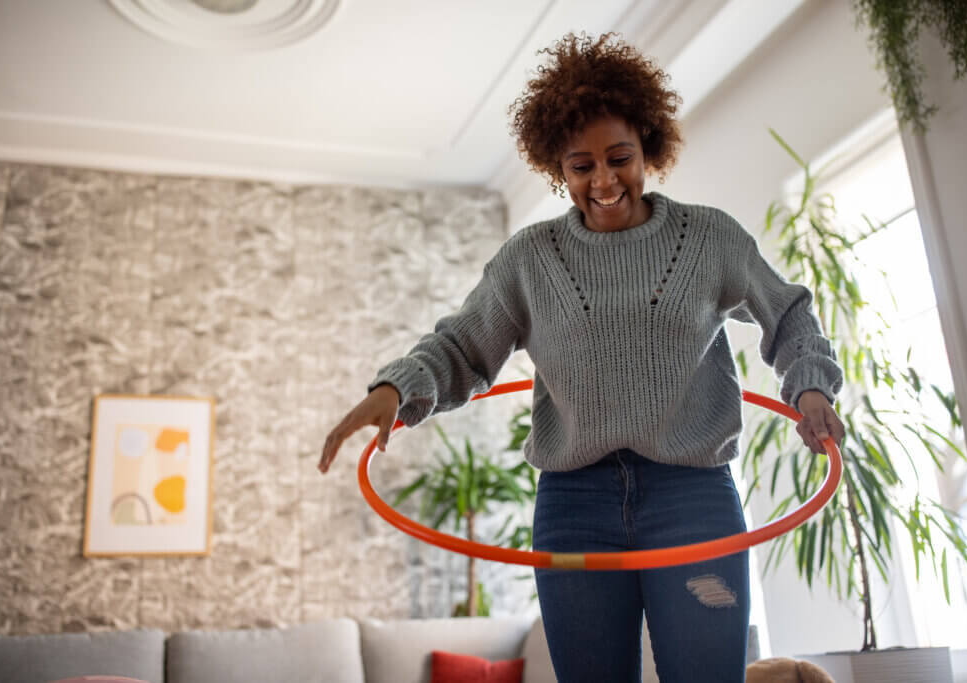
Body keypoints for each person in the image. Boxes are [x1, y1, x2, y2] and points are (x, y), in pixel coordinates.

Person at [319, 32, 845, 683]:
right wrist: (395, 390)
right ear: (556, 168)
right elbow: (461, 346)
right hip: (575, 504)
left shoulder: (710, 239)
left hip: (692, 495)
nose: (603, 180)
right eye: (580, 166)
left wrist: (811, 388)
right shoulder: (530, 258)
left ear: (648, 147)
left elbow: (788, 312)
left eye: (619, 157)